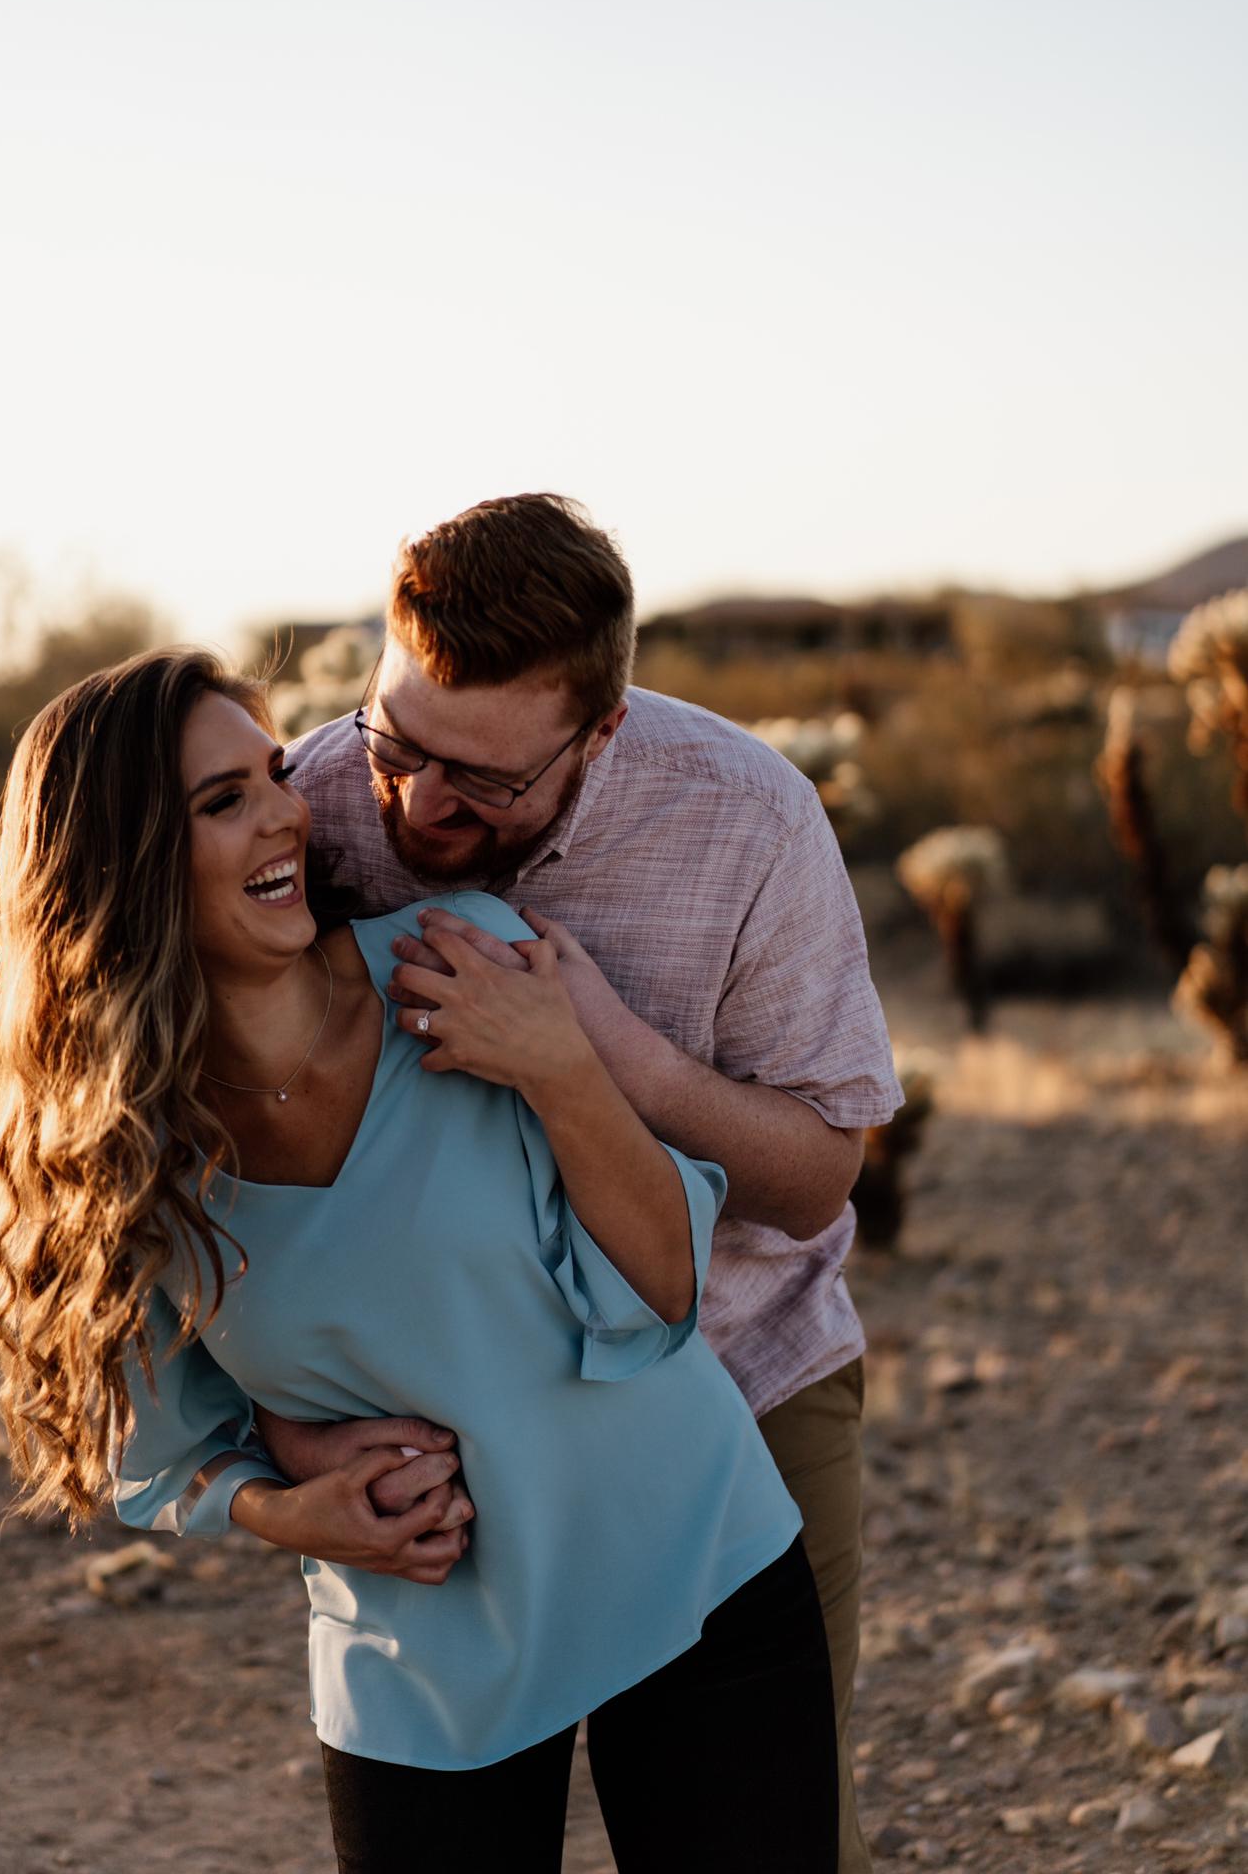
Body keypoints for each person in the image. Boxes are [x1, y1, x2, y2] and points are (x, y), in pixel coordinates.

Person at [0, 648, 840, 1874]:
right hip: (416, 1650)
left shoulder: (458, 962)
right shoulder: (120, 1157)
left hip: (688, 1565)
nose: (286, 811)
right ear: (118, 872)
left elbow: (658, 1293)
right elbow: (152, 1449)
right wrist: (292, 1507)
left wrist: (562, 1064)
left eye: (273, 773)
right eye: (222, 801)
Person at [269, 493, 904, 1874]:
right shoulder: (313, 801)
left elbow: (812, 1184)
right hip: (450, 1425)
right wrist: (276, 1453)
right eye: (401, 742)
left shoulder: (749, 820)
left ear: (599, 730)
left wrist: (617, 1058)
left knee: (774, 1839)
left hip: (743, 1381)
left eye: (485, 781)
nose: (418, 806)